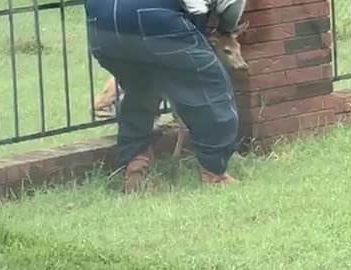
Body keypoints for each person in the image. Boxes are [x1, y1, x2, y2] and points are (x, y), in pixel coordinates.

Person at [83, 0, 247, 193]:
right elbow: (228, 5)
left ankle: (135, 169)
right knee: (211, 87)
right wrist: (225, 29)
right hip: (153, 17)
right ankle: (215, 174)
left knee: (140, 90)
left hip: (101, 29)